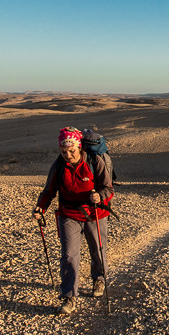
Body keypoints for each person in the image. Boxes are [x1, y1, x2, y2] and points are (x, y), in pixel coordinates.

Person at [32, 127, 115, 314]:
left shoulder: (95, 161)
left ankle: (99, 279)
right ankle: (69, 296)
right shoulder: (59, 165)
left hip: (94, 213)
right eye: (63, 152)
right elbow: (49, 191)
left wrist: (99, 196)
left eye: (71, 151)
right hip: (68, 213)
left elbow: (108, 188)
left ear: (80, 147)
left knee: (98, 250)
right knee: (69, 255)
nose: (67, 155)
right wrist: (40, 207)